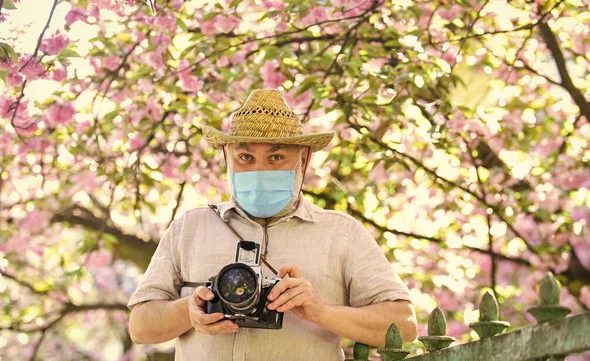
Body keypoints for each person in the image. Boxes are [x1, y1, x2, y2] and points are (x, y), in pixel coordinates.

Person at [127, 89, 417, 361]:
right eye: (245, 157)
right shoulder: (190, 227)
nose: (259, 169)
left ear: (304, 159)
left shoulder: (342, 233)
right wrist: (191, 308)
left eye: (276, 157)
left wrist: (321, 312)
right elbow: (140, 327)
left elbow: (404, 325)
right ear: (226, 158)